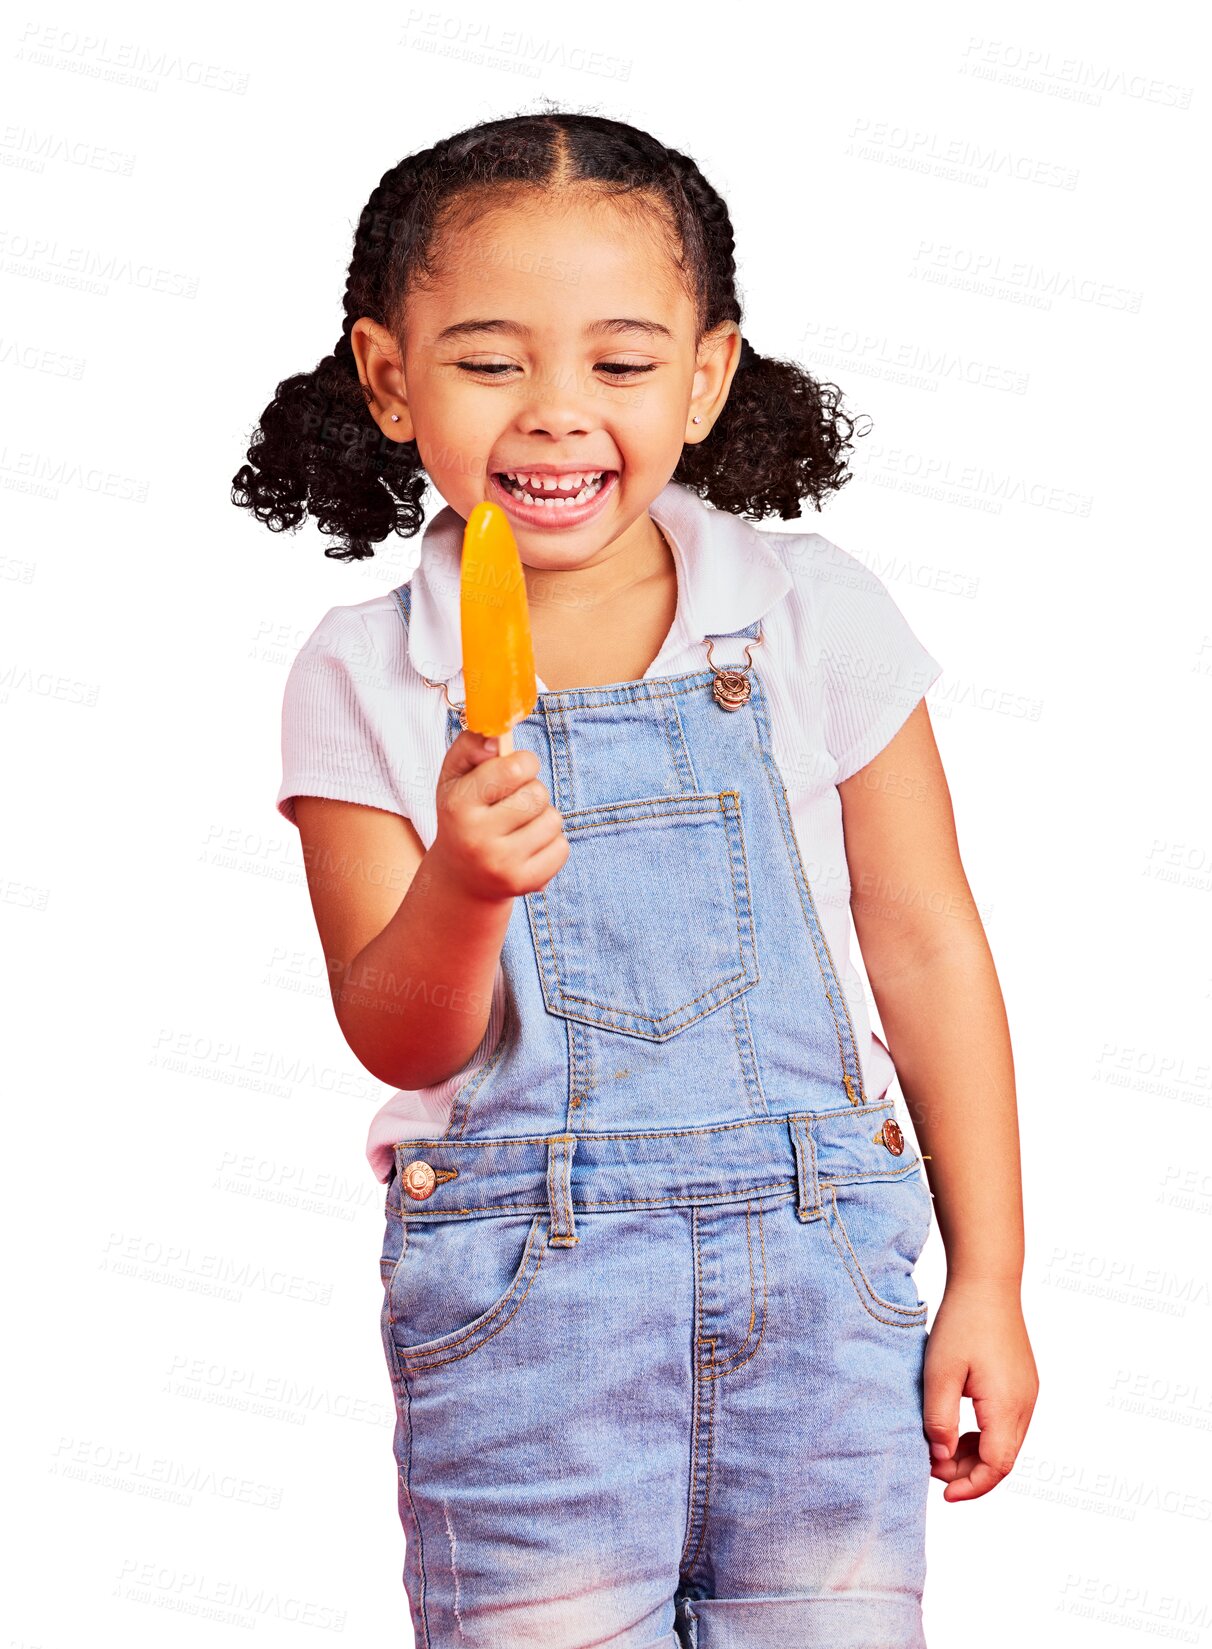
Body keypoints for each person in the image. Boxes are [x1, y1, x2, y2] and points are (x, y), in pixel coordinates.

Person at [234, 105, 1038, 1649]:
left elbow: (930, 951)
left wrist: (990, 1278)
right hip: (529, 1313)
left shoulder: (813, 615)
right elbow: (400, 1039)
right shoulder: (366, 674)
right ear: (390, 380)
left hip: (828, 1294)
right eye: (489, 363)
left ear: (707, 374)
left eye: (617, 363)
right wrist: (467, 884)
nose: (555, 415)